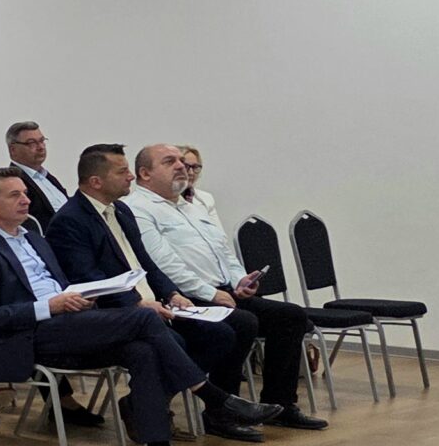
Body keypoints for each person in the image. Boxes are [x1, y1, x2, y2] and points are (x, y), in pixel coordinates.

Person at [0, 168, 219, 446]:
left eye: (26, 193)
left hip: (69, 325)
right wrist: (49, 307)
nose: (25, 200)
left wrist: (82, 297)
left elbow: (62, 286)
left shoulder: (36, 240)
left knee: (141, 351)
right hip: (30, 335)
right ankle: (211, 395)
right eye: (15, 195)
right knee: (145, 317)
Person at [45, 144, 283, 444]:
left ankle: (151, 404)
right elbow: (89, 280)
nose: (130, 176)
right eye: (122, 171)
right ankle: (209, 404)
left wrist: (171, 293)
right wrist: (136, 303)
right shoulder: (70, 221)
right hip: (116, 312)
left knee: (224, 332)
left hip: (153, 304)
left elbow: (146, 263)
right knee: (176, 341)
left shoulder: (121, 211)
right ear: (96, 181)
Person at [128, 143, 329, 431]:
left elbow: (223, 251)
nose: (181, 166)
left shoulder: (191, 206)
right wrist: (211, 293)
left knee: (291, 316)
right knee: (242, 322)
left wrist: (240, 280)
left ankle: (281, 404)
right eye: (170, 161)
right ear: (145, 174)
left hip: (222, 291)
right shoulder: (138, 208)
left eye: (182, 161)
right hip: (183, 298)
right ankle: (222, 413)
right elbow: (163, 263)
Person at [6, 120, 71, 227]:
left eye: (42, 141)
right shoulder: (14, 182)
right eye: (32, 143)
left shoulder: (47, 177)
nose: (41, 147)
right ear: (13, 149)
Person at [177, 145, 219, 226]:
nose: (191, 173)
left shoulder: (206, 198)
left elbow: (219, 232)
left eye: (195, 167)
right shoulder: (162, 198)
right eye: (186, 166)